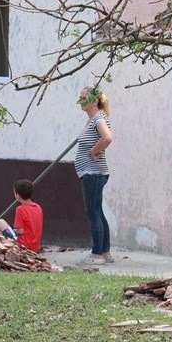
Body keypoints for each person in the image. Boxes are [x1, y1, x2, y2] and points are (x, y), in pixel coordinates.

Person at [74, 85, 114, 266]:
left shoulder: (98, 119)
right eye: (80, 97)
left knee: (92, 212)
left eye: (84, 97)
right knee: (97, 211)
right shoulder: (94, 119)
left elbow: (107, 137)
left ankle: (97, 254)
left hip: (94, 172)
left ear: (94, 100)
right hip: (92, 173)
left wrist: (93, 151)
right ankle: (105, 252)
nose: (80, 100)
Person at [0, 179, 44, 253]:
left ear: (18, 195)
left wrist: (12, 230)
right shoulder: (38, 207)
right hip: (35, 247)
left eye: (14, 193)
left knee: (0, 222)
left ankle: (4, 250)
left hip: (23, 246)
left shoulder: (20, 209)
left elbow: (20, 231)